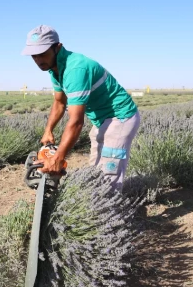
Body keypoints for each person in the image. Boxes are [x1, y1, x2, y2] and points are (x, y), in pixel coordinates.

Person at [21, 25, 140, 191]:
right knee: (96, 169)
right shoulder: (54, 68)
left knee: (109, 176)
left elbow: (76, 121)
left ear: (58, 47)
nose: (38, 60)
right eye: (34, 55)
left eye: (42, 54)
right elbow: (59, 102)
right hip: (101, 119)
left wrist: (58, 158)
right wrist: (48, 130)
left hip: (119, 118)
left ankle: (111, 212)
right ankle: (97, 204)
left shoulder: (75, 69)